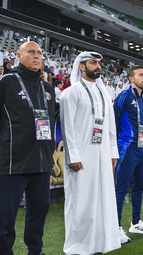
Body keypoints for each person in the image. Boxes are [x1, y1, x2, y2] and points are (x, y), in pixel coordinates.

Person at [60, 51, 121, 254]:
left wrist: (113, 152)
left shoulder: (104, 93)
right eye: (93, 62)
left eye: (98, 63)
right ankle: (78, 246)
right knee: (81, 201)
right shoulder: (71, 92)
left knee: (104, 199)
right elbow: (67, 128)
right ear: (82, 66)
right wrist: (73, 156)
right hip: (82, 156)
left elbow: (110, 126)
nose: (97, 66)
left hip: (103, 155)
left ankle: (102, 242)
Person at [0, 41, 55, 255]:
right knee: (5, 216)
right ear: (18, 55)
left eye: (40, 53)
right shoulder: (7, 82)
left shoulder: (47, 88)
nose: (37, 56)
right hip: (12, 163)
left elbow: (49, 123)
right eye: (31, 52)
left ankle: (35, 250)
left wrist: (49, 153)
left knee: (39, 212)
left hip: (41, 163)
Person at [114, 65, 143, 242]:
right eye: (140, 75)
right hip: (127, 147)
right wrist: (113, 148)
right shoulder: (123, 96)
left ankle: (135, 222)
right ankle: (116, 227)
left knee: (138, 187)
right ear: (131, 78)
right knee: (121, 189)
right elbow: (113, 122)